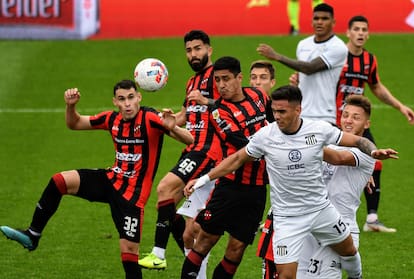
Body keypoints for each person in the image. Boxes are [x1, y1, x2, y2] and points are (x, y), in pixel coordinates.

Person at [186, 85, 398, 279]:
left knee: (348, 251)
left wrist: (371, 153)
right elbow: (238, 158)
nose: (276, 117)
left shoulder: (323, 133)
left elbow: (345, 152)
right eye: (274, 111)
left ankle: (356, 276)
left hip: (323, 211)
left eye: (282, 112)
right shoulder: (269, 136)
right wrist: (204, 178)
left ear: (298, 110)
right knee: (287, 275)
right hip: (289, 219)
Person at [0, 79, 194, 279]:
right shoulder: (111, 119)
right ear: (115, 102)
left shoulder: (150, 118)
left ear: (139, 97)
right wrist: (71, 105)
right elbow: (74, 123)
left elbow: (190, 140)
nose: (127, 103)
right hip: (110, 180)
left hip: (132, 198)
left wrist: (174, 128)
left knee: (129, 255)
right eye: (121, 99)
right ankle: (32, 234)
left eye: (130, 98)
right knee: (59, 181)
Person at [138, 30, 222, 277]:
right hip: (193, 149)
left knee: (164, 188)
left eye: (198, 49)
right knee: (178, 219)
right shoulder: (191, 82)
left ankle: (158, 254)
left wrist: (207, 101)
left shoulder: (217, 77)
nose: (193, 54)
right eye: (189, 50)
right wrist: (169, 120)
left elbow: (233, 105)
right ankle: (193, 270)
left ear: (209, 49)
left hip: (208, 151)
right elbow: (185, 116)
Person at [181, 56, 273, 279]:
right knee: (204, 241)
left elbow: (276, 124)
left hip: (258, 190)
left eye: (226, 79)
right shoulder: (219, 113)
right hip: (230, 187)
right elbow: (244, 146)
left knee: (236, 250)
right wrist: (277, 150)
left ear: (239, 78)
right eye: (217, 80)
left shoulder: (259, 96)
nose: (221, 85)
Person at [336, 15, 414, 233]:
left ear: (368, 34)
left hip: (359, 125)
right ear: (348, 32)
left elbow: (376, 87)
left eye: (364, 29)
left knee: (376, 162)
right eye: (357, 29)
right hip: (335, 123)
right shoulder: (336, 55)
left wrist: (400, 106)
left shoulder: (369, 60)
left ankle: (372, 218)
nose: (361, 33)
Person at [296, 94, 377, 278]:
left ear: (367, 124)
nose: (348, 120)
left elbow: (338, 158)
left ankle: (356, 273)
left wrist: (301, 141)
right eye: (345, 115)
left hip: (340, 227)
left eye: (356, 117)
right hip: (311, 223)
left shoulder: (364, 153)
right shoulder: (329, 143)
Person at [257, 3, 347, 124]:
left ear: (333, 22)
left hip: (323, 115)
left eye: (324, 19)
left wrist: (277, 56)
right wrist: (298, 81)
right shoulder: (303, 44)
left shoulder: (338, 47)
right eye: (316, 18)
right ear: (311, 21)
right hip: (301, 113)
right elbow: (303, 72)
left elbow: (310, 68)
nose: (319, 22)